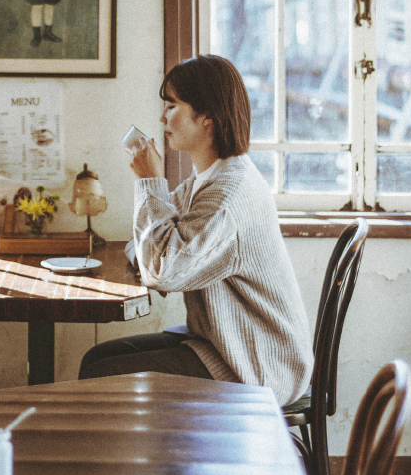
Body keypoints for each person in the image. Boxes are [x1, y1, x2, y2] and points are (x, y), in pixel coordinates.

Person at [78, 55, 313, 406]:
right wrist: (151, 249)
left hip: (257, 365)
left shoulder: (226, 195)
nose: (162, 117)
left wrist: (150, 181)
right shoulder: (208, 179)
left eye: (172, 105)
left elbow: (161, 269)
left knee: (100, 376)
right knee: (95, 361)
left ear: (207, 118)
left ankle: (138, 462)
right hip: (224, 344)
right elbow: (147, 247)